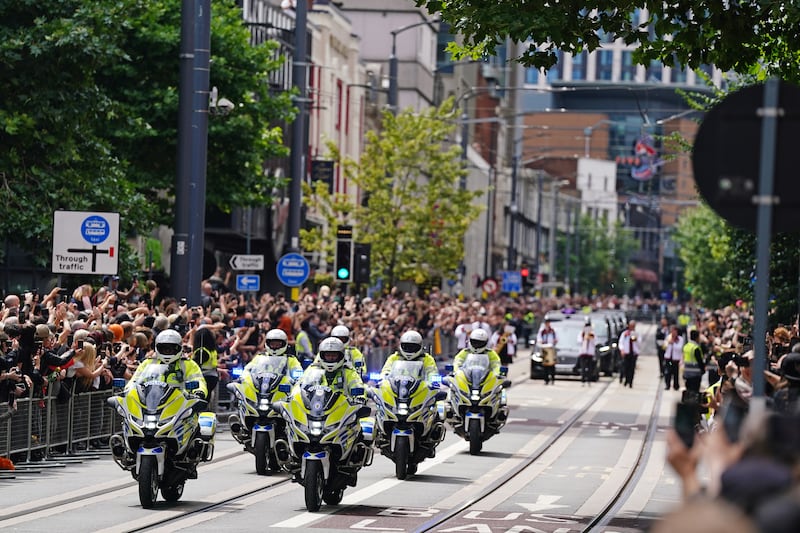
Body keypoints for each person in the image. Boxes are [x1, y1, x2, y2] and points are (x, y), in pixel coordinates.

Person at [126, 329, 207, 400]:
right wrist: (128, 390)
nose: (167, 351)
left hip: (181, 405)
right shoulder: (148, 363)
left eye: (171, 348)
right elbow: (135, 380)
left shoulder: (189, 364)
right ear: (157, 347)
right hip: (151, 404)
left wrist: (199, 392)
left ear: (179, 348)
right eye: (164, 348)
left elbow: (198, 380)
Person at [306, 337, 365, 403]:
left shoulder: (349, 372)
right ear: (322, 356)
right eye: (328, 355)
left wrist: (360, 398)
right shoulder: (314, 370)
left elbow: (357, 385)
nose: (331, 358)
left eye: (334, 355)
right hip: (317, 407)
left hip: (342, 409)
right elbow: (300, 384)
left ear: (340, 356)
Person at [683, 329, 706, 394]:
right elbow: (700, 361)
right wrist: (703, 370)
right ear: (697, 337)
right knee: (695, 391)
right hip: (695, 374)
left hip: (687, 373)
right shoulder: (696, 348)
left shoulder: (686, 346)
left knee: (688, 390)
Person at [618, 320, 640, 388]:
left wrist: (636, 340)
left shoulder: (636, 334)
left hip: (633, 353)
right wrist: (622, 350)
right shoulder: (624, 333)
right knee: (626, 367)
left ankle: (630, 382)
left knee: (632, 368)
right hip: (626, 353)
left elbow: (639, 343)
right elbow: (621, 342)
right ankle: (626, 380)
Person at [537, 319, 558, 385]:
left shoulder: (553, 331)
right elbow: (539, 339)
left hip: (551, 348)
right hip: (545, 349)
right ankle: (546, 379)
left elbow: (556, 339)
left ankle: (552, 378)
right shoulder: (542, 331)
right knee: (545, 365)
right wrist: (541, 342)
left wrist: (555, 341)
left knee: (552, 365)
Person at [663, 325, 684, 391]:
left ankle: (676, 385)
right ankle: (667, 385)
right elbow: (664, 346)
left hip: (675, 359)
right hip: (669, 359)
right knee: (668, 371)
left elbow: (679, 348)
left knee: (676, 372)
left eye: (674, 331)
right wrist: (668, 343)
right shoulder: (668, 337)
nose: (673, 332)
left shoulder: (680, 339)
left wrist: (673, 343)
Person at [578, 317, 596, 385]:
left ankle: (589, 380)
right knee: (583, 367)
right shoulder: (581, 333)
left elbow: (595, 342)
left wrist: (591, 337)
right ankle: (583, 380)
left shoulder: (593, 333)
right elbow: (579, 342)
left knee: (589, 367)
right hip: (583, 352)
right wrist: (584, 337)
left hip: (589, 352)